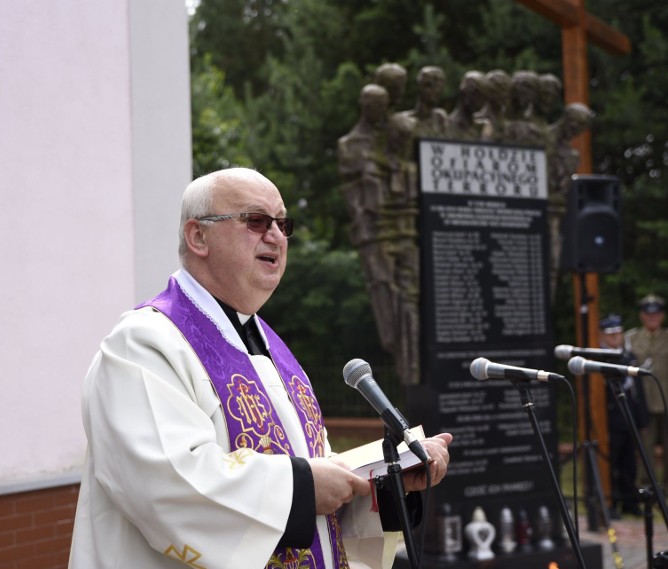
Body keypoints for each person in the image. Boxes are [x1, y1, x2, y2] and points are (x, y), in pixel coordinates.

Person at [69, 167, 453, 569]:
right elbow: (165, 484)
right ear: (198, 236)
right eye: (256, 221)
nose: (275, 235)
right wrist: (301, 488)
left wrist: (388, 484)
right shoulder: (144, 343)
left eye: (282, 223)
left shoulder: (268, 345)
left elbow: (316, 472)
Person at [599, 314, 648, 517]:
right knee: (612, 463)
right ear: (602, 335)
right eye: (611, 334)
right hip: (611, 420)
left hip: (630, 418)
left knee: (630, 463)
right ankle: (611, 502)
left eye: (618, 332)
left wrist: (642, 418)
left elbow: (638, 390)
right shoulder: (599, 358)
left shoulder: (629, 355)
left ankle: (630, 502)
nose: (615, 337)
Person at [626, 293, 668, 488]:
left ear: (662, 315)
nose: (652, 317)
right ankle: (647, 485)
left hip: (666, 398)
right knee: (645, 445)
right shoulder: (631, 338)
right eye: (648, 313)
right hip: (642, 401)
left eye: (656, 313)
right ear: (642, 315)